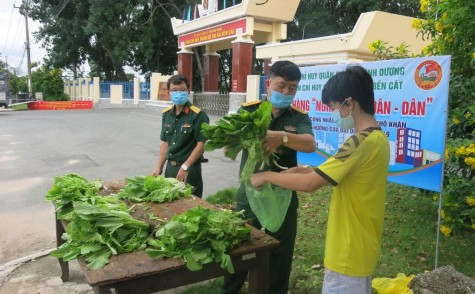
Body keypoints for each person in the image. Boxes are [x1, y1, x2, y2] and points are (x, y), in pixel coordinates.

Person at [250, 65, 390, 294]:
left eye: (334, 107)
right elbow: (325, 171)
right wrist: (292, 172)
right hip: (363, 243)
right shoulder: (377, 138)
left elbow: (311, 184)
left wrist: (267, 176)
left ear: (349, 103)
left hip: (347, 249)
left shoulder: (358, 143)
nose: (334, 114)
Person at [221, 61, 316, 294]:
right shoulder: (249, 111)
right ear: (268, 84)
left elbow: (310, 144)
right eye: (281, 86)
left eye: (292, 88)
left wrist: (281, 137)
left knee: (279, 258)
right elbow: (227, 150)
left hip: (281, 200)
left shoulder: (298, 118)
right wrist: (236, 139)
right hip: (249, 198)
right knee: (238, 253)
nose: (286, 92)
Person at [152, 74, 209, 198]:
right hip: (170, 169)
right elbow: (165, 143)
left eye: (182, 90)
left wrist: (185, 166)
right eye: (174, 90)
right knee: (170, 204)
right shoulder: (167, 114)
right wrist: (159, 167)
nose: (178, 93)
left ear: (188, 91)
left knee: (190, 206)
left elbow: (202, 144)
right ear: (169, 93)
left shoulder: (198, 115)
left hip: (189, 169)